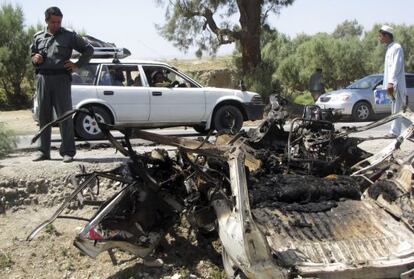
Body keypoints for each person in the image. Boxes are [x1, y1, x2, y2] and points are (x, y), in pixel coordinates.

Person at [31, 7, 94, 162]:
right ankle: (43, 151)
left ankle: (68, 152)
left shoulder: (69, 36)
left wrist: (77, 64)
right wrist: (35, 58)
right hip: (43, 79)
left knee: (64, 116)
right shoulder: (38, 37)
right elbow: (32, 55)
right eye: (53, 22)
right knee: (43, 116)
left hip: (61, 79)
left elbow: (89, 49)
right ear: (46, 20)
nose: (56, 25)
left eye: (59, 22)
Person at [378, 25, 411, 137]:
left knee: (397, 109)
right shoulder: (390, 48)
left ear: (386, 35)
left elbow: (396, 66)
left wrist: (391, 82)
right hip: (392, 84)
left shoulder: (396, 47)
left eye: (380, 35)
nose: (379, 38)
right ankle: (411, 129)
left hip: (395, 84)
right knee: (399, 109)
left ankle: (394, 132)